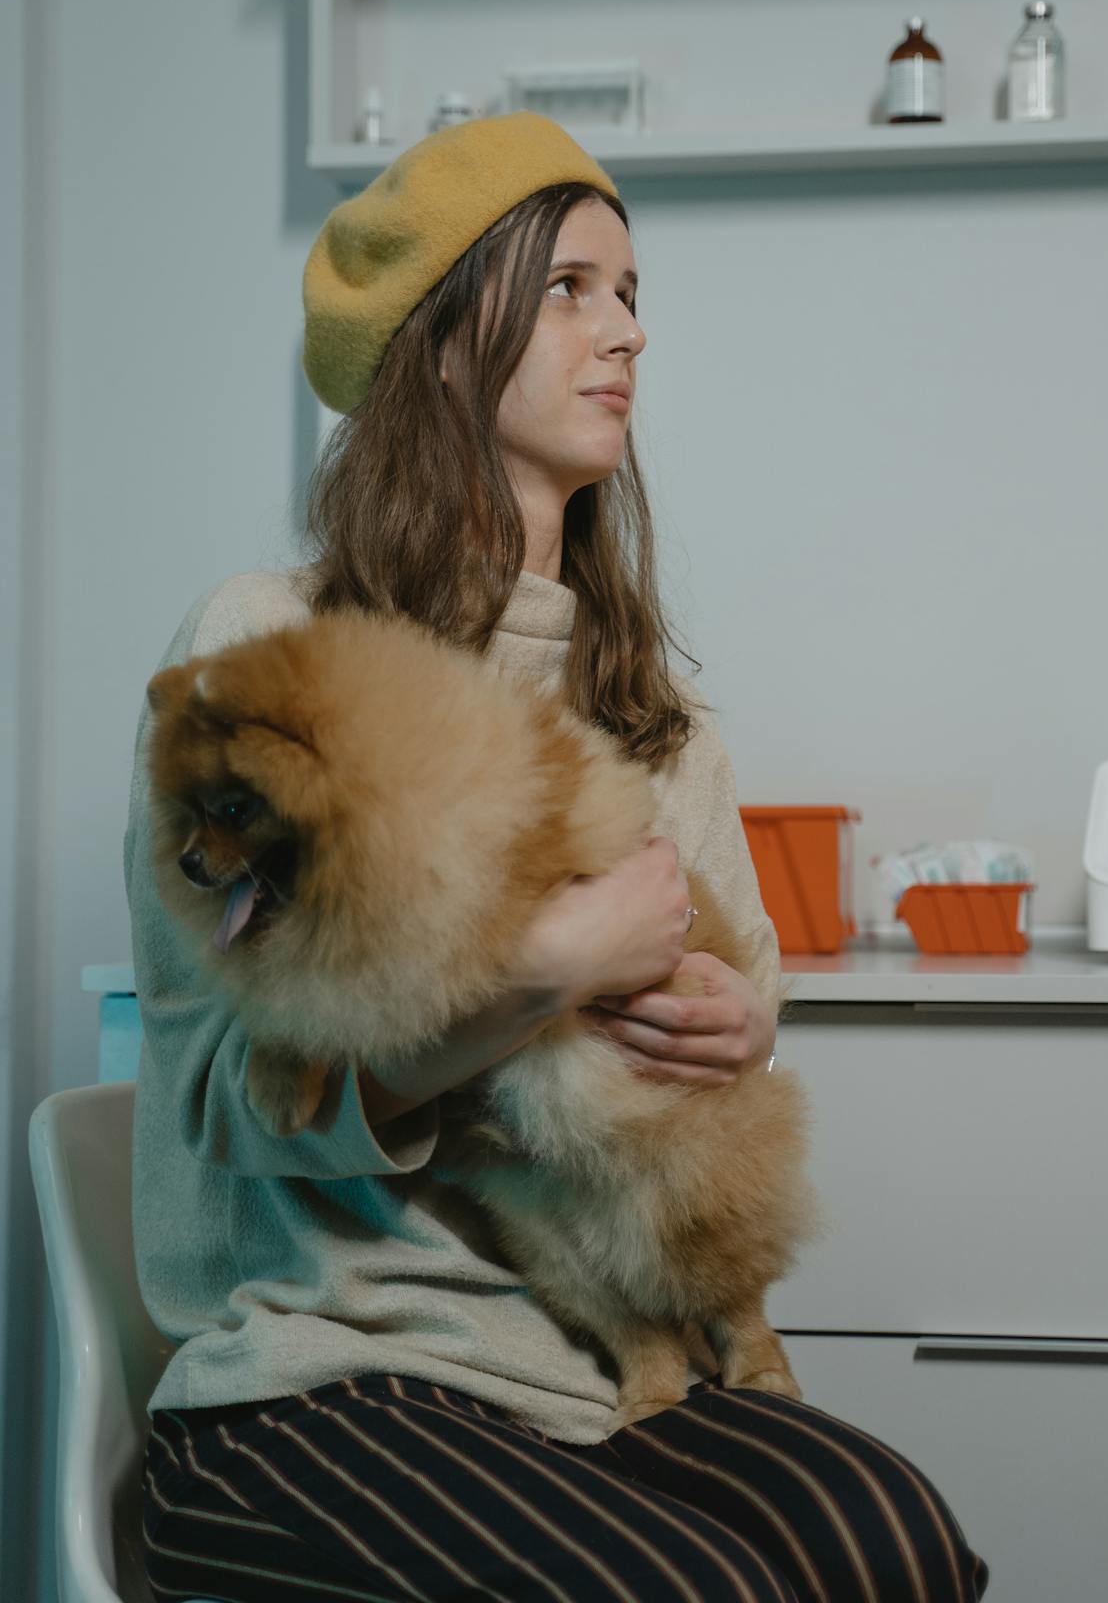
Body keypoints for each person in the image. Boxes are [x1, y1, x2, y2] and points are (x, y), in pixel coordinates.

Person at [131, 112, 991, 1601]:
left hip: (599, 1359)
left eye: (633, 294)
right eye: (569, 289)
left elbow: (736, 1021)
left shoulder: (655, 717)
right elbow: (235, 1104)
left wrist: (738, 1028)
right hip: (315, 1376)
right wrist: (543, 975)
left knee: (895, 1546)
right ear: (442, 342)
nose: (628, 333)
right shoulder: (275, 656)